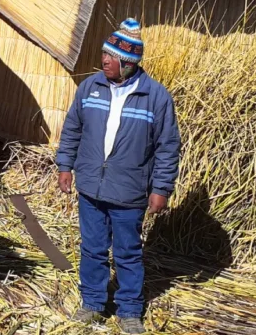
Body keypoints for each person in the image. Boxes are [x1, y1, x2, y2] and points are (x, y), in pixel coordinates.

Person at [55, 18, 181, 334]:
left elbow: (167, 147)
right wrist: (65, 166)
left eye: (111, 57)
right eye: (104, 54)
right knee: (93, 249)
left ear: (128, 63)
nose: (104, 61)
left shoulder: (155, 97)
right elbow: (72, 129)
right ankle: (93, 304)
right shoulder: (90, 88)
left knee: (127, 253)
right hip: (91, 188)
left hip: (130, 191)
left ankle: (129, 311)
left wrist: (161, 188)